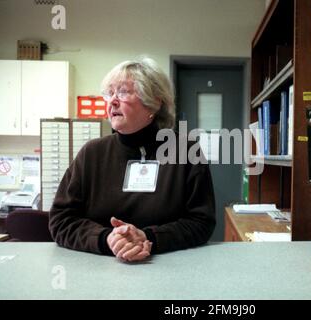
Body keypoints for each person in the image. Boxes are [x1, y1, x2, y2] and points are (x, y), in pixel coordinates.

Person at [49, 57, 216, 262]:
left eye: (124, 92)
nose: (113, 101)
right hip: (98, 274)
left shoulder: (186, 152)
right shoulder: (91, 154)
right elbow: (61, 220)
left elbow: (201, 222)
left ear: (155, 102)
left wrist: (148, 237)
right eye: (109, 93)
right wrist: (106, 239)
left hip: (169, 274)